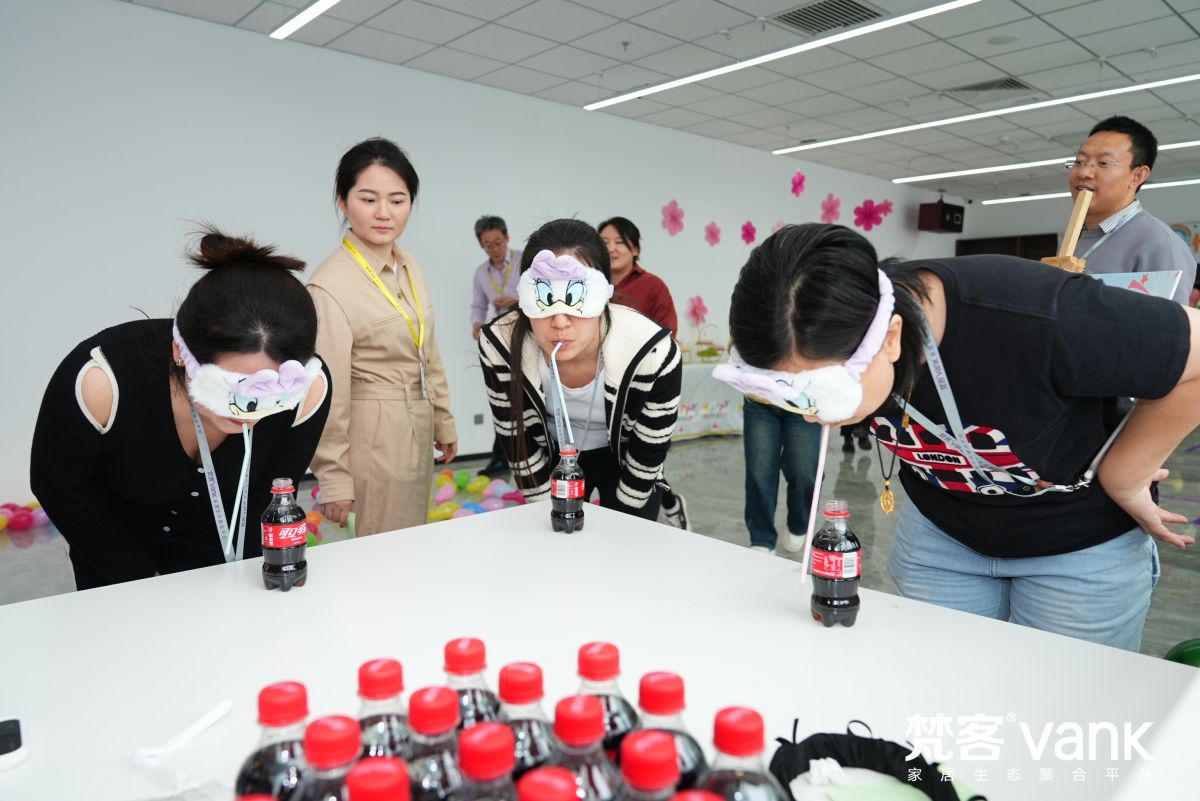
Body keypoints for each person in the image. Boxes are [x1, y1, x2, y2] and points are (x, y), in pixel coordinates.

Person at [717, 223, 1200, 651]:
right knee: (940, 693)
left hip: (1074, 549)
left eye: (824, 394)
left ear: (890, 338)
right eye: (786, 396)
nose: (809, 417)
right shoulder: (824, 334)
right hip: (940, 534)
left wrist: (1126, 474)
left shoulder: (1033, 314)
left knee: (1062, 705)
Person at [30, 230, 331, 590]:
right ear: (180, 352)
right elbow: (61, 488)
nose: (249, 414)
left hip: (231, 569)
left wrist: (248, 584)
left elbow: (271, 497)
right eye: (227, 387)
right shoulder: (103, 381)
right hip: (116, 566)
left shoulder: (307, 389)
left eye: (273, 395)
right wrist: (139, 578)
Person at [479, 218, 681, 520]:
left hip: (626, 457)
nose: (560, 322)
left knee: (629, 540)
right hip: (552, 453)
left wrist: (627, 518)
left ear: (604, 296)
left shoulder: (651, 351)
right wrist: (543, 506)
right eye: (545, 299)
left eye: (576, 299)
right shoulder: (500, 345)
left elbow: (648, 449)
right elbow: (515, 436)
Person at [308, 138, 457, 536]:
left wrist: (443, 419)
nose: (384, 213)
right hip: (373, 433)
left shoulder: (409, 265)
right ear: (343, 201)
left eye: (397, 200)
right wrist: (333, 476)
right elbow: (328, 391)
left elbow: (427, 349)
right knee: (385, 548)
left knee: (411, 537)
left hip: (416, 422)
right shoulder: (330, 285)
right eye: (368, 199)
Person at [597, 216, 688, 528]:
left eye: (619, 242)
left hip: (638, 390)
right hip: (596, 388)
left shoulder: (653, 286)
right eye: (604, 243)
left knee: (643, 458)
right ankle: (669, 503)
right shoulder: (591, 284)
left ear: (634, 248)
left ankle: (667, 503)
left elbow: (668, 334)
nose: (611, 249)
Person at [1067, 116, 1195, 303]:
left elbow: (1165, 321)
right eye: (1080, 161)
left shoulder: (1160, 245)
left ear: (1137, 176)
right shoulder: (1075, 237)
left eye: (1103, 163)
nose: (1084, 172)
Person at [471, 215, 523, 477]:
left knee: (526, 397)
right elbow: (478, 304)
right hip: (499, 338)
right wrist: (477, 322)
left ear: (507, 237)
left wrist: (515, 301)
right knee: (502, 397)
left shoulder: (524, 260)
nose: (494, 249)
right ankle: (502, 456)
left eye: (498, 242)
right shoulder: (481, 272)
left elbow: (542, 291)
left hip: (527, 334)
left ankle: (520, 455)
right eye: (488, 245)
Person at [742, 397, 822, 554]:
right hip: (760, 400)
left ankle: (798, 524)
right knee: (759, 471)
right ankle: (761, 537)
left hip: (806, 404)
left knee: (805, 471)